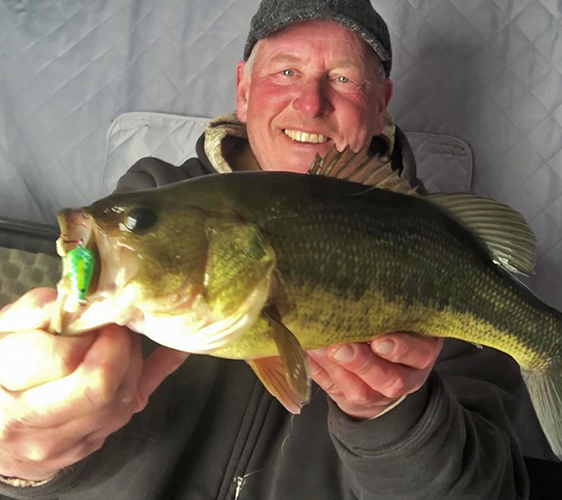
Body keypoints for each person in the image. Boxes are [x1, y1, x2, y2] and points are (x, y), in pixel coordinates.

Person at [0, 1, 531, 498]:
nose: (310, 103)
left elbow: (493, 488)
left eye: (342, 79)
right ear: (244, 88)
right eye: (286, 72)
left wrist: (396, 418)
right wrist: (21, 457)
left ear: (379, 107)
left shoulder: (440, 250)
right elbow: (50, 445)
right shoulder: (146, 220)